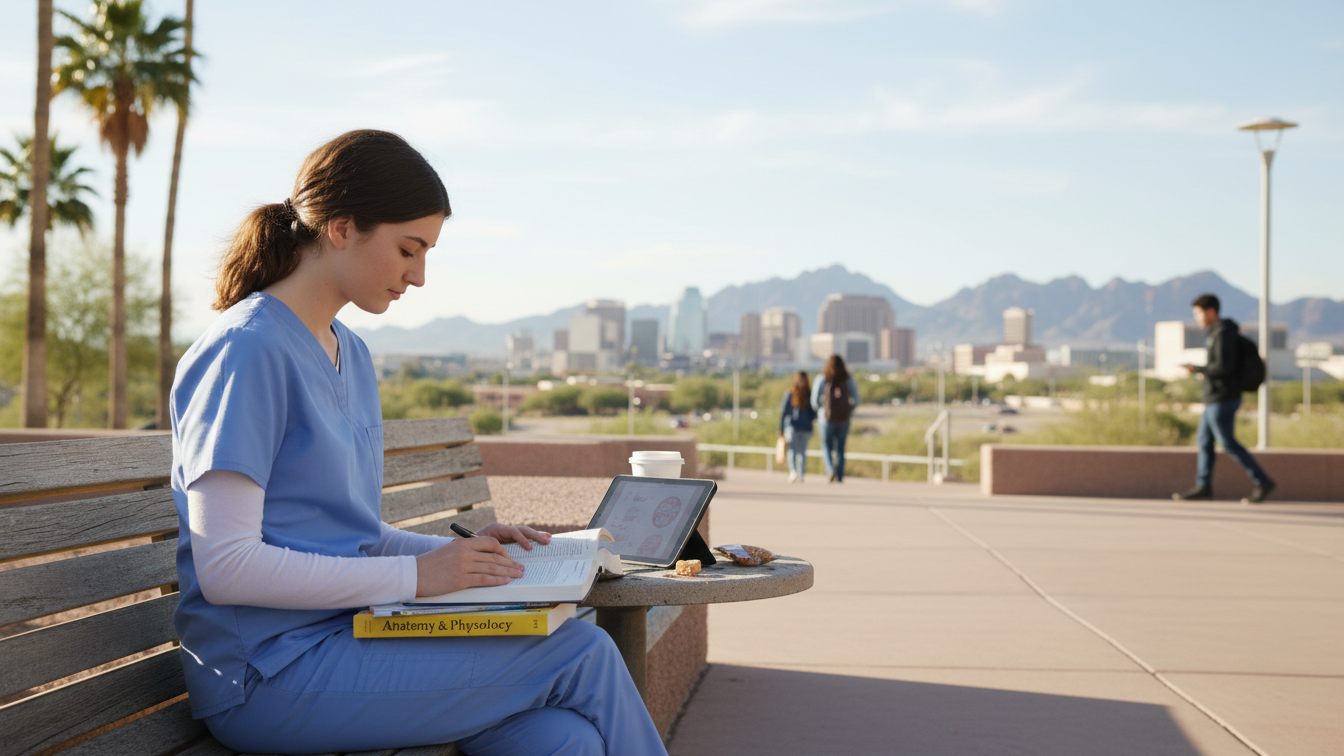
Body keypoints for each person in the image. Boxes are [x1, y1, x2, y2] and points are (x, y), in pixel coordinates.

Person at [170, 130, 667, 755]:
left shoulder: (348, 350)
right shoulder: (246, 350)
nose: (420, 276)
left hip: (353, 639)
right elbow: (227, 566)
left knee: (557, 740)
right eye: (409, 249)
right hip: (269, 675)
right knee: (583, 650)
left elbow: (351, 536)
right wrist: (416, 575)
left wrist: (462, 557)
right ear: (341, 228)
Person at [1173, 293, 1275, 504]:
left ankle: (1262, 481)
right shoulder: (1217, 333)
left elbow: (1223, 368)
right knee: (1204, 442)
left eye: (1198, 313)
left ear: (1211, 311)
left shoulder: (1223, 334)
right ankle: (1203, 487)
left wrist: (1197, 369)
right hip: (1214, 399)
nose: (1197, 318)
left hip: (1223, 398)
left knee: (1228, 443)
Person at [811, 355, 860, 483]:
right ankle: (839, 475)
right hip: (844, 419)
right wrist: (848, 410)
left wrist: (822, 410)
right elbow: (857, 400)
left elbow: (814, 401)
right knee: (840, 448)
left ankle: (830, 470)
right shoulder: (848, 379)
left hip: (825, 419)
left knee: (826, 446)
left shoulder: (822, 378)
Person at [778, 371, 817, 483]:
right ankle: (796, 472)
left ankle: (797, 472)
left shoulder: (805, 394)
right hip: (797, 427)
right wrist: (781, 428)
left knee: (798, 451)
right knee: (796, 451)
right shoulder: (792, 394)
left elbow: (812, 413)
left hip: (800, 427)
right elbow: (784, 413)